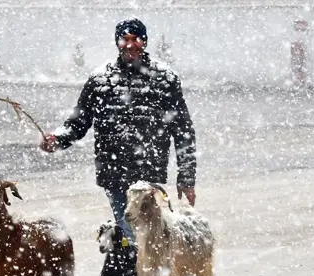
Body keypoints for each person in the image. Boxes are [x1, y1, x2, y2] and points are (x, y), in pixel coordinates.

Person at [40, 18, 197, 240]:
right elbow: (78, 122)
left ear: (145, 42)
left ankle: (139, 268)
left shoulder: (164, 79)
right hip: (113, 172)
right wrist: (57, 139)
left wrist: (187, 178)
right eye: (125, 39)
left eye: (136, 39)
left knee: (146, 237)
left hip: (148, 174)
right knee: (130, 233)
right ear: (118, 42)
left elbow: (183, 130)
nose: (130, 44)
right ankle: (133, 266)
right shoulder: (99, 80)